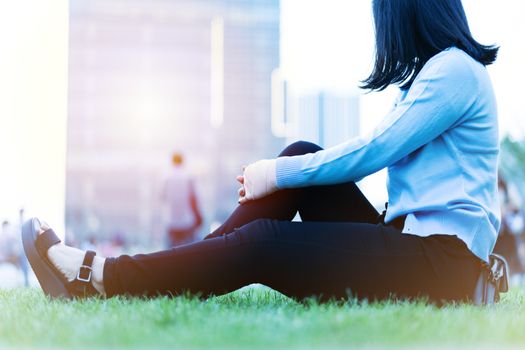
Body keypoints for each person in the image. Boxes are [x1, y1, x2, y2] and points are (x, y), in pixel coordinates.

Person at [22, 0, 500, 303]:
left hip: (442, 267)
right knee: (302, 150)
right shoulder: (438, 74)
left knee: (264, 242)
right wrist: (288, 167)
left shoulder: (455, 71)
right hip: (409, 244)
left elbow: (374, 151)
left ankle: (102, 278)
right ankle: (168, 270)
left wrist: (278, 173)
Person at [161, 152, 203, 247]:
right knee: (187, 252)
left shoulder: (166, 178)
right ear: (183, 162)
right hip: (187, 221)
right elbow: (195, 199)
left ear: (171, 162)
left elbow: (162, 197)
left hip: (171, 222)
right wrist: (199, 218)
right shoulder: (189, 177)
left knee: (170, 253)